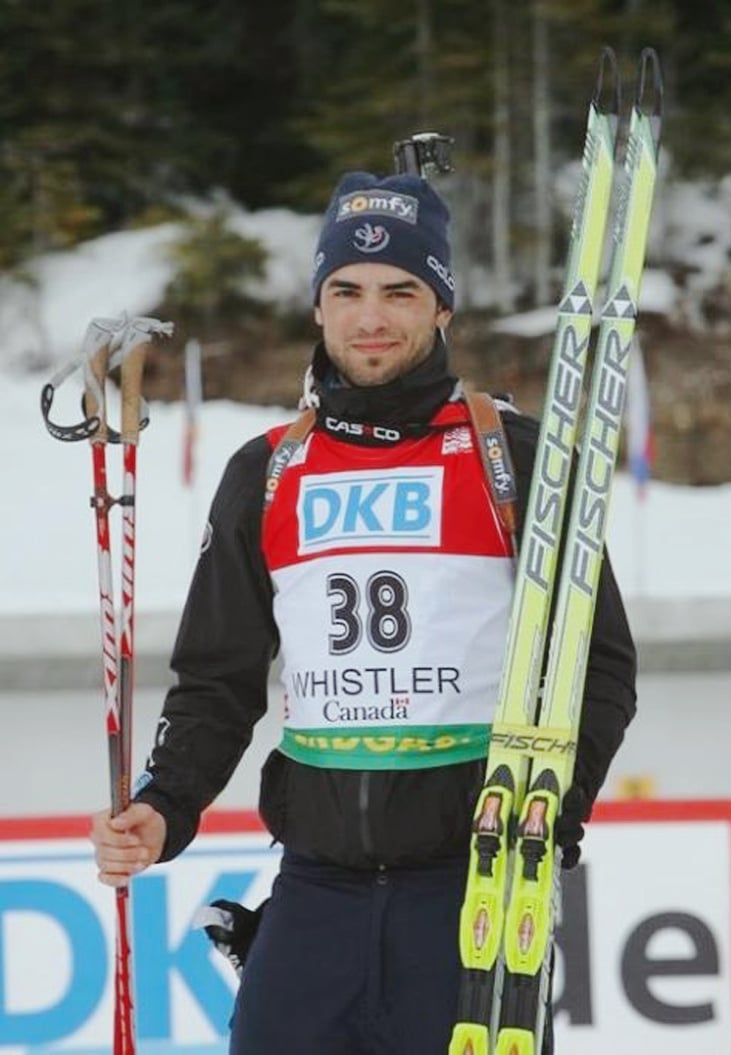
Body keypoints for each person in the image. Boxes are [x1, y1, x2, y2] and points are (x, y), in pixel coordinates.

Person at [91, 169, 637, 1054]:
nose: (370, 316)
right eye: (345, 290)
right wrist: (165, 805)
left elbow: (600, 664)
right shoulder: (266, 471)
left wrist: (549, 820)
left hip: (471, 891)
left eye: (400, 291)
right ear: (317, 305)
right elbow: (218, 682)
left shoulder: (517, 460)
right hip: (316, 897)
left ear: (442, 308)